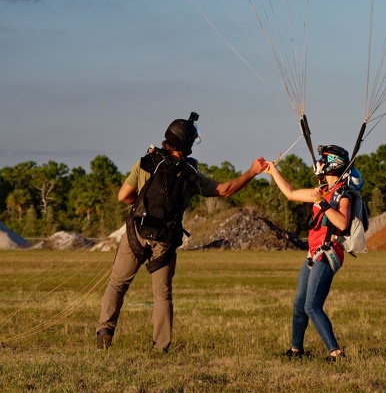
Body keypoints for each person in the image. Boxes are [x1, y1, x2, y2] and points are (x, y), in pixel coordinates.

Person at [96, 112, 266, 352]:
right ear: (186, 144)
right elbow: (226, 190)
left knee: (117, 284)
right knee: (162, 297)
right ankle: (160, 346)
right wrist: (252, 172)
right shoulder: (190, 174)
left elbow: (123, 196)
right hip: (164, 241)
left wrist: (140, 207)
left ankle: (105, 332)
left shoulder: (147, 161)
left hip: (136, 233)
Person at [265, 144, 353, 362]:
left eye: (323, 160)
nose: (319, 164)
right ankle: (296, 350)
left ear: (333, 164)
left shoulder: (343, 195)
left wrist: (322, 204)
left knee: (312, 305)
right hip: (313, 254)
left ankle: (336, 353)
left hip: (329, 252)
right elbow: (291, 193)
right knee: (299, 304)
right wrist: (272, 170)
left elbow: (342, 222)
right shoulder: (322, 191)